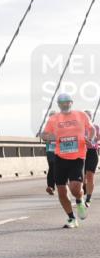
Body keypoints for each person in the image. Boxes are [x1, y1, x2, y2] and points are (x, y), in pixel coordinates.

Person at [42, 94, 93, 227]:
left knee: (75, 188)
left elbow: (91, 129)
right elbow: (44, 134)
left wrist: (90, 138)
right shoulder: (54, 119)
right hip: (60, 157)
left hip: (78, 157)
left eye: (67, 102)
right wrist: (49, 136)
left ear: (71, 103)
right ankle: (71, 218)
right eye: (61, 103)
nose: (64, 104)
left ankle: (80, 200)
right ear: (58, 104)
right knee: (62, 191)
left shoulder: (81, 115)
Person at [40, 110, 58, 195]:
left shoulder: (61, 126)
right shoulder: (47, 127)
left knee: (59, 168)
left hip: (62, 151)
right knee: (52, 167)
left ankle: (61, 185)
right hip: (51, 150)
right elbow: (43, 136)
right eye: (51, 117)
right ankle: (51, 186)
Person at [85, 120, 98, 207]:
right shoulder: (78, 127)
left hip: (92, 152)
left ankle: (88, 198)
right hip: (80, 153)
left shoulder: (95, 127)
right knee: (81, 177)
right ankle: (82, 190)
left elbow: (98, 138)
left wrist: (95, 140)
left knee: (90, 175)